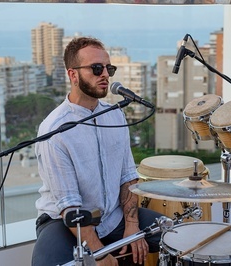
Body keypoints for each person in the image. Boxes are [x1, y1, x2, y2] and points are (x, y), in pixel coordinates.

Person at [31, 36, 162, 266]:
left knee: (176, 236)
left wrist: (132, 226)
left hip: (112, 216)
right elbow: (69, 205)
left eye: (108, 68)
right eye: (96, 68)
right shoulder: (54, 130)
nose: (105, 75)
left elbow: (127, 176)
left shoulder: (115, 115)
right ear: (73, 75)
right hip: (63, 222)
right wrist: (99, 253)